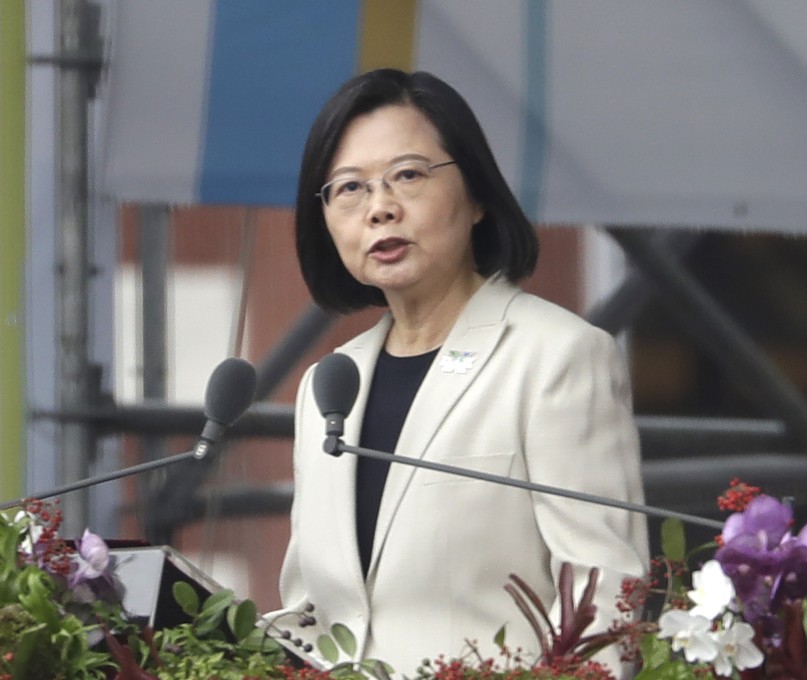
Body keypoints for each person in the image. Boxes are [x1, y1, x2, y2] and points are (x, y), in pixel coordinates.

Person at [276, 68, 648, 677]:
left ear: (475, 196)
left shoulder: (556, 357)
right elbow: (310, 613)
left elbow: (606, 605)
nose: (380, 209)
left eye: (408, 176)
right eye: (349, 189)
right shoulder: (328, 386)